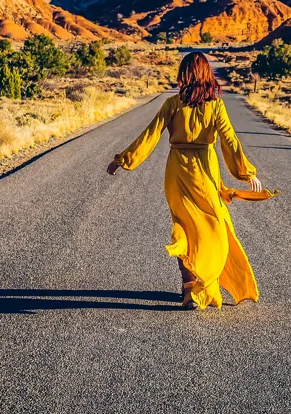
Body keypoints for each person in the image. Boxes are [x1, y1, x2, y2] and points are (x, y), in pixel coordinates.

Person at [106, 52, 263, 309]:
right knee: (214, 227)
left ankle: (190, 289)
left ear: (184, 74)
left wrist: (124, 159)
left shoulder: (173, 103)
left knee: (185, 228)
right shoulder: (216, 105)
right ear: (206, 74)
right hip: (206, 174)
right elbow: (230, 141)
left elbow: (151, 135)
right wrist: (247, 172)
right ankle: (203, 283)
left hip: (177, 173)